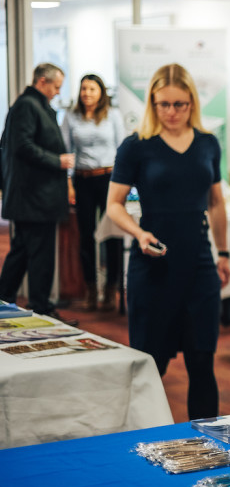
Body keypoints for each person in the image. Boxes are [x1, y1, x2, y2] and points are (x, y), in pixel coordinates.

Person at [106, 63, 230, 420]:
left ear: (192, 102)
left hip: (199, 265)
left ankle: (208, 444)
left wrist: (224, 252)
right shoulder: (136, 145)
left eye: (180, 104)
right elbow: (114, 205)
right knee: (150, 365)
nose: (172, 112)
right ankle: (144, 443)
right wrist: (139, 232)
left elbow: (216, 202)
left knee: (202, 362)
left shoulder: (208, 143)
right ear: (152, 103)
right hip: (153, 266)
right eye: (164, 104)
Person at [0, 63, 77, 325]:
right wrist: (58, 161)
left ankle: (5, 300)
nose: (57, 92)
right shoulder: (27, 106)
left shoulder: (33, 106)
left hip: (34, 197)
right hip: (34, 198)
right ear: (42, 81)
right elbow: (22, 146)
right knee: (38, 256)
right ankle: (41, 308)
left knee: (22, 252)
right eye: (56, 87)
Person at [61, 74, 125, 311]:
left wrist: (123, 183)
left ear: (101, 92)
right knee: (86, 235)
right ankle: (91, 288)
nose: (87, 93)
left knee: (112, 234)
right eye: (84, 89)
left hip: (109, 178)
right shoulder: (71, 116)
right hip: (82, 179)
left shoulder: (113, 115)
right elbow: (66, 151)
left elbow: (122, 149)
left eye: (92, 89)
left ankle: (111, 289)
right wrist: (68, 184)